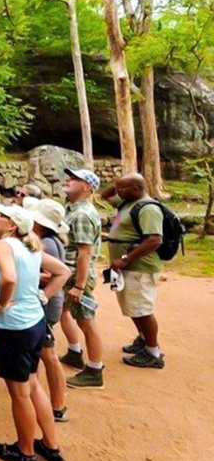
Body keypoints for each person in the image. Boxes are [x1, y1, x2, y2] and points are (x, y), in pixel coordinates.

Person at [0, 202, 70, 461]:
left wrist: (2, 303)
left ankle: (25, 451)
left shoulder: (3, 245)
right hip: (34, 323)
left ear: (11, 226)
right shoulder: (30, 246)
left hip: (12, 327)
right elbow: (63, 272)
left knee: (20, 392)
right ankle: (50, 444)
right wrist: (43, 296)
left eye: (1, 215)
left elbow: (9, 278)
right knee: (32, 384)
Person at [102, 173, 166, 369]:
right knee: (133, 306)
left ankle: (153, 352)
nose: (118, 192)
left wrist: (126, 259)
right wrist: (118, 185)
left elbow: (155, 239)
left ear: (138, 189)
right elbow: (104, 195)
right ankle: (143, 339)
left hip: (139, 267)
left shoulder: (148, 209)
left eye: (123, 189)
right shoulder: (128, 202)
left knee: (142, 309)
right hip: (127, 267)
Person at [58, 169, 106, 389]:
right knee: (63, 311)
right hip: (69, 274)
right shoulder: (73, 210)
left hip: (77, 276)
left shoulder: (81, 215)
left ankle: (95, 371)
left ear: (87, 187)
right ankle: (75, 353)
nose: (68, 180)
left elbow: (84, 253)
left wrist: (79, 285)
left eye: (75, 179)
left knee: (86, 321)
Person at [24, 198, 70, 422]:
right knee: (42, 354)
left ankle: (57, 405)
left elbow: (52, 275)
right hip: (48, 304)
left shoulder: (48, 244)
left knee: (48, 355)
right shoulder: (50, 240)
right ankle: (44, 397)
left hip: (46, 304)